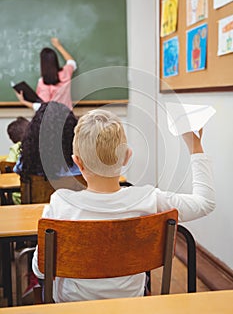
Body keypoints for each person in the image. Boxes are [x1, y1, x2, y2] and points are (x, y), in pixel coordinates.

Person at [32, 109, 215, 303]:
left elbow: (40, 269)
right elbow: (205, 202)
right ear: (127, 156)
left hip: (72, 306)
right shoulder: (149, 199)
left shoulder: (60, 203)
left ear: (77, 162)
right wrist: (195, 145)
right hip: (131, 303)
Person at [14, 101, 82, 183]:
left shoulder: (27, 162)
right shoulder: (80, 167)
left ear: (35, 132)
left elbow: (17, 169)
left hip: (37, 195)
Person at [14, 38, 77, 111]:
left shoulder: (44, 83)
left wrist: (23, 102)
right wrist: (58, 46)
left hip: (53, 119)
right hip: (69, 116)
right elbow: (72, 62)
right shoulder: (65, 72)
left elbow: (42, 107)